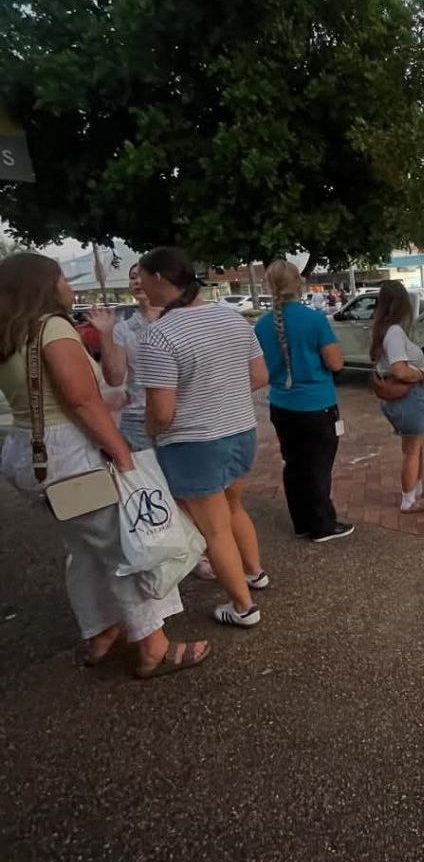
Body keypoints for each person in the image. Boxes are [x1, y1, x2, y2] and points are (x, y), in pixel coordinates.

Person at [0, 253, 209, 678]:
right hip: (70, 456)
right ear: (45, 285)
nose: (68, 284)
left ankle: (101, 630)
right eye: (61, 276)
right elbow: (80, 400)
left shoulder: (11, 333)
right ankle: (154, 645)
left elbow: (53, 398)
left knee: (85, 550)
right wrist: (122, 452)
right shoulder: (52, 329)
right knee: (127, 547)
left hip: (30, 453)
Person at [136, 247, 270, 627]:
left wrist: (150, 433)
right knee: (234, 508)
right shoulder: (233, 320)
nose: (140, 285)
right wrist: (223, 396)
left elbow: (161, 413)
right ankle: (255, 573)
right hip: (241, 430)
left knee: (214, 530)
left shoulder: (158, 335)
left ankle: (243, 608)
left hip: (194, 444)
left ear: (160, 278)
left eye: (143, 277)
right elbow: (260, 376)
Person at [255, 260, 353, 543]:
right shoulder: (314, 319)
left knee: (294, 463)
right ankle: (322, 524)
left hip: (282, 405)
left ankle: (302, 522)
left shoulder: (262, 325)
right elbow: (335, 363)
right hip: (316, 405)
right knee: (318, 465)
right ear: (298, 283)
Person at [370, 280, 424, 514]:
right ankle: (409, 498)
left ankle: (415, 489)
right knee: (412, 448)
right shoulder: (395, 332)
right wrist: (420, 373)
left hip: (400, 398)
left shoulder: (384, 330)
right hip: (408, 396)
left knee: (413, 447)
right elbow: (399, 369)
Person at [89, 263, 161, 452]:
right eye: (132, 277)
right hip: (138, 420)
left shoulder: (178, 319)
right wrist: (105, 333)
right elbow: (114, 378)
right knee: (145, 480)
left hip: (181, 417)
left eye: (142, 276)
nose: (137, 281)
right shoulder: (124, 328)